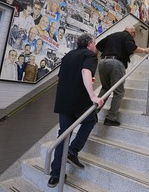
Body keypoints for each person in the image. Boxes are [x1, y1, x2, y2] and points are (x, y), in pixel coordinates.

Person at [48, 33, 104, 188]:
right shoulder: (90, 55)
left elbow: (62, 77)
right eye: (95, 43)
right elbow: (86, 72)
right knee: (90, 120)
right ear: (90, 44)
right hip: (79, 101)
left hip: (63, 102)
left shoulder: (68, 56)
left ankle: (55, 175)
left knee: (64, 135)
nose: (95, 46)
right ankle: (73, 151)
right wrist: (93, 95)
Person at [96, 25, 149, 126]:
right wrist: (145, 50)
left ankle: (92, 113)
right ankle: (111, 118)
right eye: (134, 33)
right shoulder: (127, 36)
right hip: (116, 63)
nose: (134, 35)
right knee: (119, 92)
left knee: (105, 88)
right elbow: (132, 48)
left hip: (102, 62)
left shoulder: (112, 35)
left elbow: (98, 46)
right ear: (132, 32)